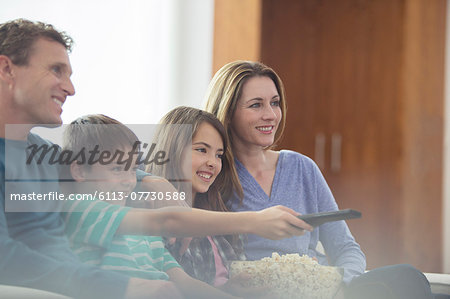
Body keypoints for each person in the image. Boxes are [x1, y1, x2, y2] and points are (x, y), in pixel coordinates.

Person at [0, 19, 310, 299]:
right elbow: (7, 258)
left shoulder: (43, 154)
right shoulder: (80, 201)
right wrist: (119, 287)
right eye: (55, 70)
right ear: (6, 69)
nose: (70, 88)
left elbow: (106, 166)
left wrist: (152, 179)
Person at [204, 60, 440, 299]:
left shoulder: (302, 167)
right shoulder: (211, 176)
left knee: (407, 278)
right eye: (256, 105)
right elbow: (191, 255)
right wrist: (222, 290)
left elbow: (346, 249)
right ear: (228, 111)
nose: (270, 115)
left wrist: (341, 287)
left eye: (275, 103)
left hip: (323, 293)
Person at [62, 114, 243, 299]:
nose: (129, 181)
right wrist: (254, 221)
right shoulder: (79, 210)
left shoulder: (146, 233)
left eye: (133, 170)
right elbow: (166, 220)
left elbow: (185, 284)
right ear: (80, 170)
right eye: (117, 169)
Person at [148, 106, 276, 297]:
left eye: (218, 155)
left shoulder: (220, 218)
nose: (213, 162)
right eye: (201, 150)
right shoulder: (153, 222)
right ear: (171, 150)